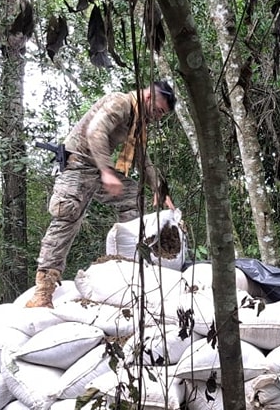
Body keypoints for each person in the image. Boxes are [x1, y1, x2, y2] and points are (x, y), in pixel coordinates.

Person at [26, 80, 177, 308]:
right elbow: (96, 131)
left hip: (99, 169)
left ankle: (129, 266)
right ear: (148, 98)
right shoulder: (121, 102)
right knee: (68, 217)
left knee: (135, 199)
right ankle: (43, 291)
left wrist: (160, 188)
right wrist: (107, 171)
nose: (157, 117)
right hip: (78, 165)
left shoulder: (138, 123)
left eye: (161, 114)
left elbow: (142, 159)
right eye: (158, 110)